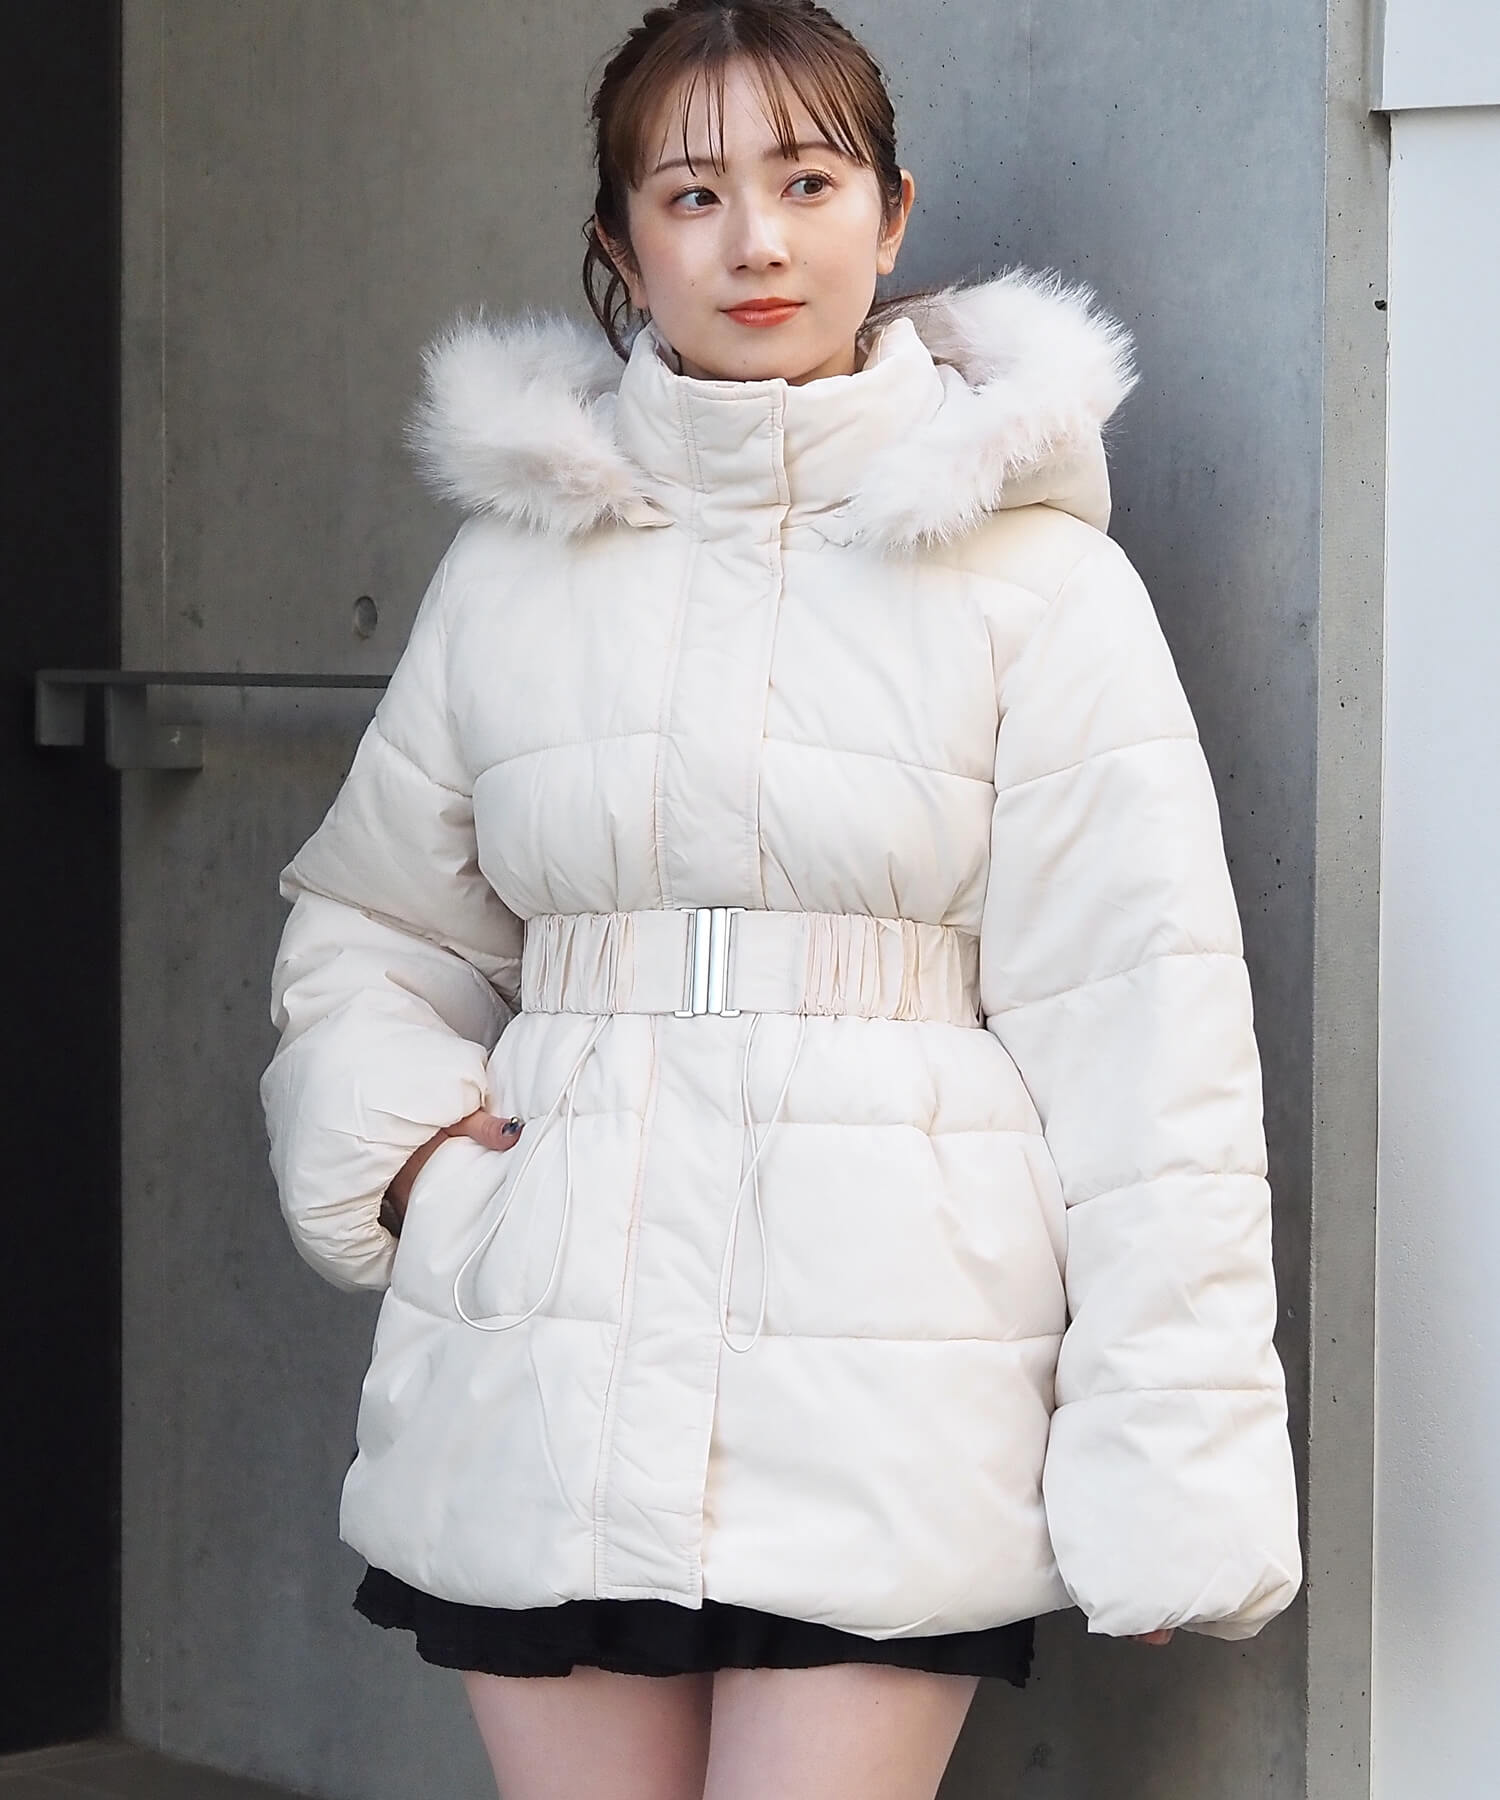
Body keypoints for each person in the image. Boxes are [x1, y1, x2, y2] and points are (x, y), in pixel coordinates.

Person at [259, 2, 1302, 1795]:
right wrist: (421, 1168)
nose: (755, 240)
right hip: (552, 1365)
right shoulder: (514, 567)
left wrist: (1169, 1467)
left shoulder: (1035, 580)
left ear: (890, 217)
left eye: (807, 182)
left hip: (889, 1376)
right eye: (692, 194)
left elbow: (1153, 1038)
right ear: (619, 245)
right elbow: (374, 925)